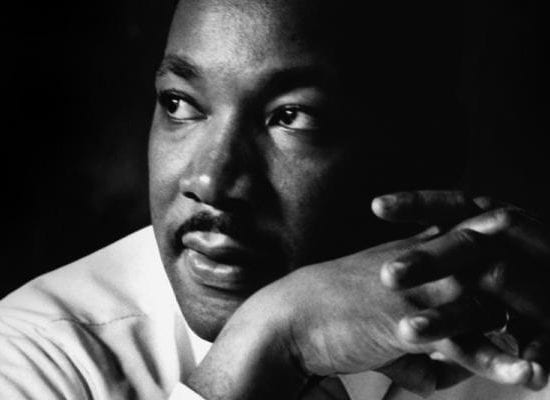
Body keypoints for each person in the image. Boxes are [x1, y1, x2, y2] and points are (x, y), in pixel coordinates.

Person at [1, 0, 548, 399]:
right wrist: (270, 344)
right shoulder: (35, 357)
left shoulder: (518, 346)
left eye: (290, 116)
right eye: (179, 103)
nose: (211, 181)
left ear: (432, 153)